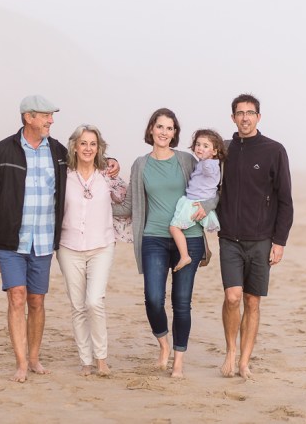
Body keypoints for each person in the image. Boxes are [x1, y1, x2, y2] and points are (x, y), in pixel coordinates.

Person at [0, 95, 119, 382]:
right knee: (17, 297)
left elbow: (86, 163)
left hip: (43, 241)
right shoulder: (2, 151)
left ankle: (34, 358)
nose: (51, 121)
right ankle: (21, 363)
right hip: (11, 243)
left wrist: (111, 162)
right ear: (28, 117)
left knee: (36, 300)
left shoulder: (57, 153)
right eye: (46, 116)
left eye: (51, 116)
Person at [116, 108, 218, 378]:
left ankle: (178, 361)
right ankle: (163, 345)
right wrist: (96, 203)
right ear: (151, 129)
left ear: (175, 133)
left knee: (182, 301)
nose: (164, 132)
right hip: (154, 238)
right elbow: (128, 205)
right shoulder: (141, 164)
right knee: (153, 298)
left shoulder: (186, 160)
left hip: (190, 238)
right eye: (160, 126)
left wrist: (207, 207)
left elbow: (212, 190)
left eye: (169, 128)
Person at [217, 93, 294, 379]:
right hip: (229, 238)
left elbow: (285, 200)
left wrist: (280, 241)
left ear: (258, 117)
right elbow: (197, 171)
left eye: (250, 113)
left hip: (261, 239)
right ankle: (230, 351)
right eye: (240, 113)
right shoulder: (224, 150)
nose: (245, 118)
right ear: (233, 118)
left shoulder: (274, 150)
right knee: (233, 297)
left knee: (252, 301)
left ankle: (244, 362)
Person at [57, 124, 126, 377]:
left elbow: (126, 199)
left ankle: (101, 358)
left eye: (93, 144)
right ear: (75, 146)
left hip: (102, 246)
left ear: (99, 148)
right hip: (69, 247)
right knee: (78, 306)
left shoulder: (106, 176)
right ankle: (85, 360)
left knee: (94, 302)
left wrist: (114, 165)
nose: (88, 148)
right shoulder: (64, 176)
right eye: (83, 143)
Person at [168, 129, 227, 271]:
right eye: (198, 144)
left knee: (174, 228)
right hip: (195, 201)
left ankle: (184, 256)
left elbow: (209, 172)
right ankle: (206, 250)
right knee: (194, 228)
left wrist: (206, 160)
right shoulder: (202, 162)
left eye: (206, 146)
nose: (200, 148)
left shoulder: (210, 164)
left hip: (194, 203)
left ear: (214, 151)